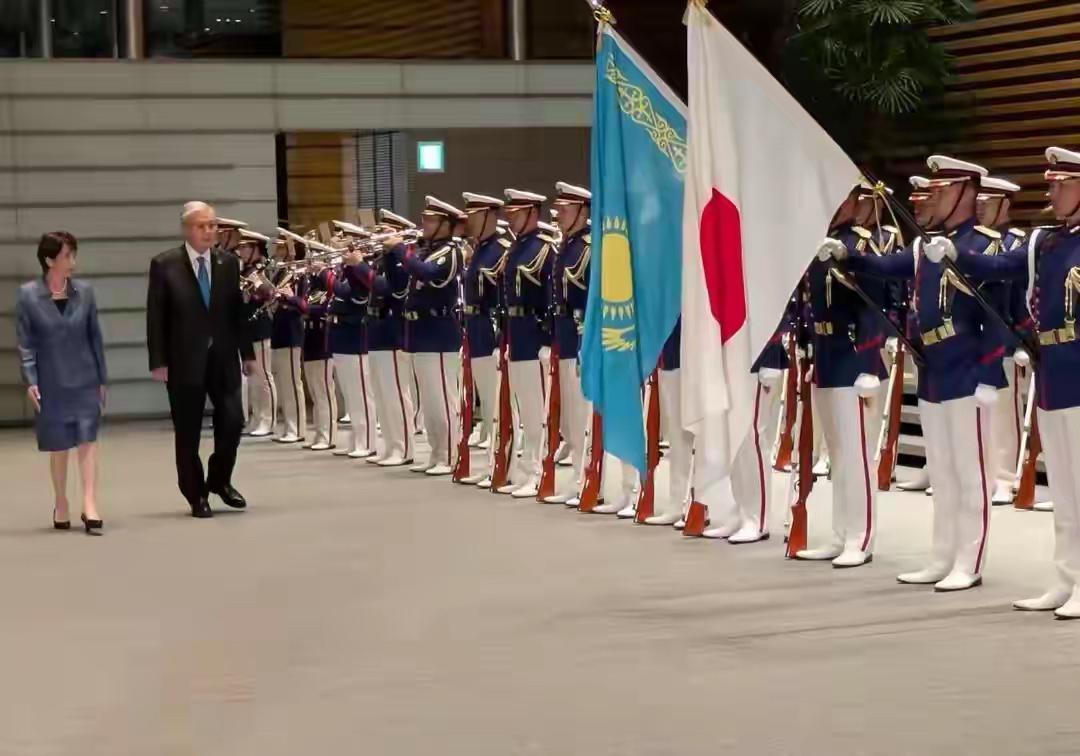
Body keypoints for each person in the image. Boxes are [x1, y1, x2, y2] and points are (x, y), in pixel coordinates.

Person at [833, 155, 1000, 592]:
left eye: (941, 191)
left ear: (966, 193)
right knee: (943, 473)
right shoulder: (925, 245)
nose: (931, 199)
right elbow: (888, 269)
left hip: (965, 367)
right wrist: (848, 255)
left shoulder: (981, 247)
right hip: (931, 369)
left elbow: (1000, 314)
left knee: (969, 472)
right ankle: (942, 555)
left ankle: (969, 560)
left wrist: (988, 372)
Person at [947, 146, 1080, 617]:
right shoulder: (1047, 241)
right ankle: (1065, 579)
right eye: (1052, 184)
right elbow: (1004, 267)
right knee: (1063, 490)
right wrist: (956, 256)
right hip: (1052, 370)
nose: (1053, 192)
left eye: (1062, 184)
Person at [799, 184, 890, 568]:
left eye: (843, 198)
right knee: (837, 453)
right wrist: (807, 349)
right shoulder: (821, 242)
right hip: (827, 356)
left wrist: (870, 363)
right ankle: (840, 535)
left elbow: (877, 305)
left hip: (855, 358)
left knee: (856, 457)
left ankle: (860, 537)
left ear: (858, 203)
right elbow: (807, 300)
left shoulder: (862, 245)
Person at [146, 201, 255, 518]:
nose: (210, 231)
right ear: (187, 229)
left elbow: (238, 313)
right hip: (183, 361)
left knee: (233, 420)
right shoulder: (165, 264)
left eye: (213, 225)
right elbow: (156, 316)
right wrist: (158, 360)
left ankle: (219, 479)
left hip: (223, 358)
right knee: (188, 432)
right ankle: (196, 495)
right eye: (202, 225)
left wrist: (246, 353)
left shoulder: (228, 263)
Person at [16, 231, 107, 534]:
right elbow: (26, 343)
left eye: (73, 254)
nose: (73, 262)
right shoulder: (28, 295)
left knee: (88, 441)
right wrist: (31, 380)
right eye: (67, 256)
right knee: (59, 446)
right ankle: (61, 501)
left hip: (84, 376)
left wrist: (101, 378)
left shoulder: (86, 292)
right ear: (49, 259)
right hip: (51, 380)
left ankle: (90, 503)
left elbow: (95, 336)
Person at [389, 197, 465, 475]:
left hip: (440, 332)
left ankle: (449, 454)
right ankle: (436, 451)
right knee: (430, 400)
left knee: (442, 397)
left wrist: (399, 249)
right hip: (421, 333)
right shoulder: (425, 250)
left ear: (446, 224)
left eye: (431, 220)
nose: (424, 224)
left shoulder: (451, 251)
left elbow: (430, 274)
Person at [975, 176, 1030, 505]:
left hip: (1005, 339)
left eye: (988, 202)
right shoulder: (973, 241)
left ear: (1005, 205)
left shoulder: (1017, 244)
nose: (980, 207)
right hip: (972, 340)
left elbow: (1022, 296)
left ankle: (1006, 478)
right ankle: (983, 472)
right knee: (976, 410)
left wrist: (1023, 340)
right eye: (978, 202)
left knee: (1004, 413)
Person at [541, 182, 594, 506]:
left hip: (581, 336)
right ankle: (578, 478)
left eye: (565, 209)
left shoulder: (588, 246)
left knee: (582, 414)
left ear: (581, 212)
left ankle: (589, 480)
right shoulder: (567, 246)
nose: (558, 214)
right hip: (564, 334)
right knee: (572, 418)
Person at [497, 189, 552, 498]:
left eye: (516, 214)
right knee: (522, 409)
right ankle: (525, 470)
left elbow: (550, 298)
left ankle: (538, 472)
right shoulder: (516, 249)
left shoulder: (543, 249)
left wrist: (546, 339)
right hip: (516, 336)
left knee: (535, 413)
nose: (511, 218)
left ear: (533, 212)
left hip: (533, 336)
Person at [459, 192, 510, 484]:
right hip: (476, 329)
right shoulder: (480, 249)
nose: (469, 221)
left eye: (474, 216)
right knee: (487, 402)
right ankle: (492, 464)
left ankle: (499, 465)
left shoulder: (501, 249)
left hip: (491, 331)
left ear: (489, 216)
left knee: (496, 403)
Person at [365, 209, 417, 467]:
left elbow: (391, 290)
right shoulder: (380, 260)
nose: (379, 236)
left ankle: (403, 447)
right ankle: (390, 444)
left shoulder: (400, 261)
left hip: (393, 330)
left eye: (384, 231)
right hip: (376, 329)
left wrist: (360, 268)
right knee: (382, 394)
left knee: (396, 393)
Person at [328, 221, 377, 459]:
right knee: (349, 391)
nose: (337, 241)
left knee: (360, 392)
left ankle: (367, 440)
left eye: (343, 238)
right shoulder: (348, 269)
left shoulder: (361, 270)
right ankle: (357, 437)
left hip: (356, 333)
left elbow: (350, 294)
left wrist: (330, 275)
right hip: (342, 333)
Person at [235, 230, 277, 437]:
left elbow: (270, 294)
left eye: (244, 247)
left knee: (263, 376)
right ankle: (257, 416)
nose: (240, 251)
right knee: (253, 378)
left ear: (255, 249)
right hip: (248, 330)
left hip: (260, 328)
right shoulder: (244, 271)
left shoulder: (261, 270)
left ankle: (268, 420)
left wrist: (257, 282)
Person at [269, 233, 310, 444]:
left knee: (293, 381)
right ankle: (288, 425)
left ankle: (297, 427)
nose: (278, 252)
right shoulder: (279, 272)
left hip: (292, 329)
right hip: (278, 327)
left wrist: (288, 297)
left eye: (282, 248)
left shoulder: (299, 274)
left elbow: (304, 305)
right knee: (283, 380)